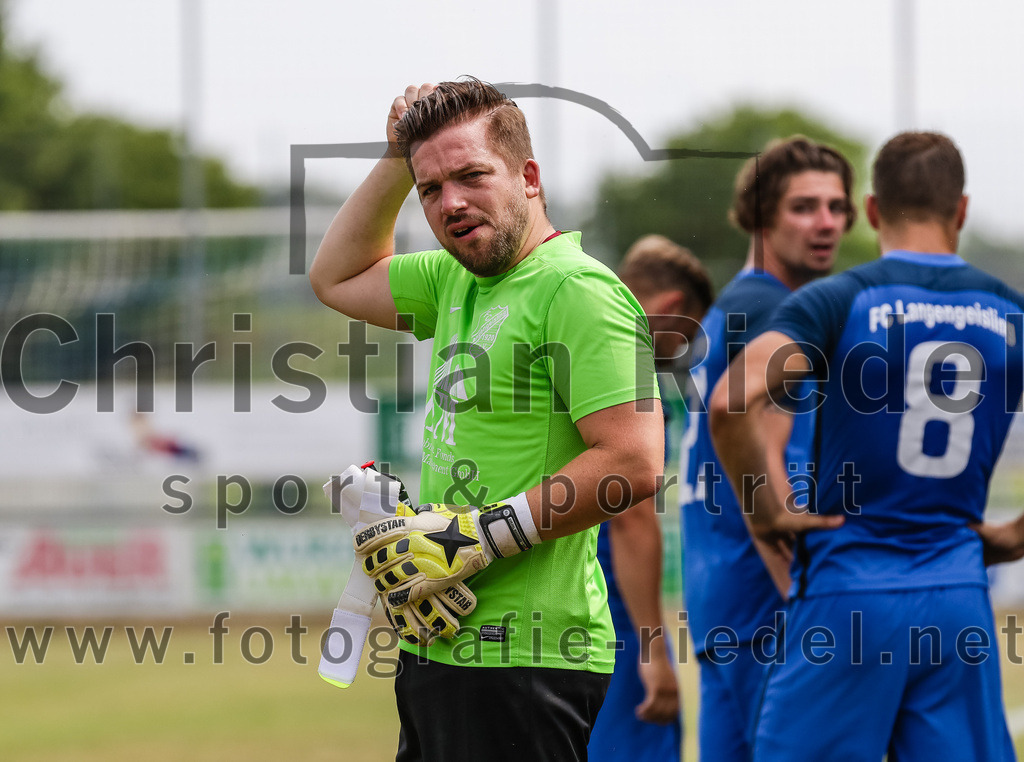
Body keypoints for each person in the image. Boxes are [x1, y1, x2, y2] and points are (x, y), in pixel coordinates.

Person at [309, 78, 663, 761]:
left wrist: (476, 535)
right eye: (431, 189)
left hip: (526, 657)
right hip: (441, 640)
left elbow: (634, 461)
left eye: (472, 176)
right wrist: (394, 157)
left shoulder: (577, 289)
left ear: (528, 177)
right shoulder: (453, 279)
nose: (453, 203)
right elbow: (335, 277)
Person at [709, 131, 1022, 761]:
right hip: (959, 598)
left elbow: (730, 400)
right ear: (960, 210)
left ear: (873, 210)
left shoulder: (838, 299)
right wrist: (1016, 533)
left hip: (847, 596)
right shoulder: (1009, 310)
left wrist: (765, 507)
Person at [678, 137, 856, 761]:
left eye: (837, 208)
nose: (827, 222)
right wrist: (800, 594)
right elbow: (766, 466)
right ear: (760, 214)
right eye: (804, 206)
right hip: (766, 598)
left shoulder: (734, 304)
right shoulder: (779, 313)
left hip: (716, 593)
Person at [588, 235, 713, 761]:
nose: (682, 357)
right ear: (672, 309)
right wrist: (653, 650)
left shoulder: (564, 341)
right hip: (603, 621)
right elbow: (632, 518)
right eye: (687, 339)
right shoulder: (623, 361)